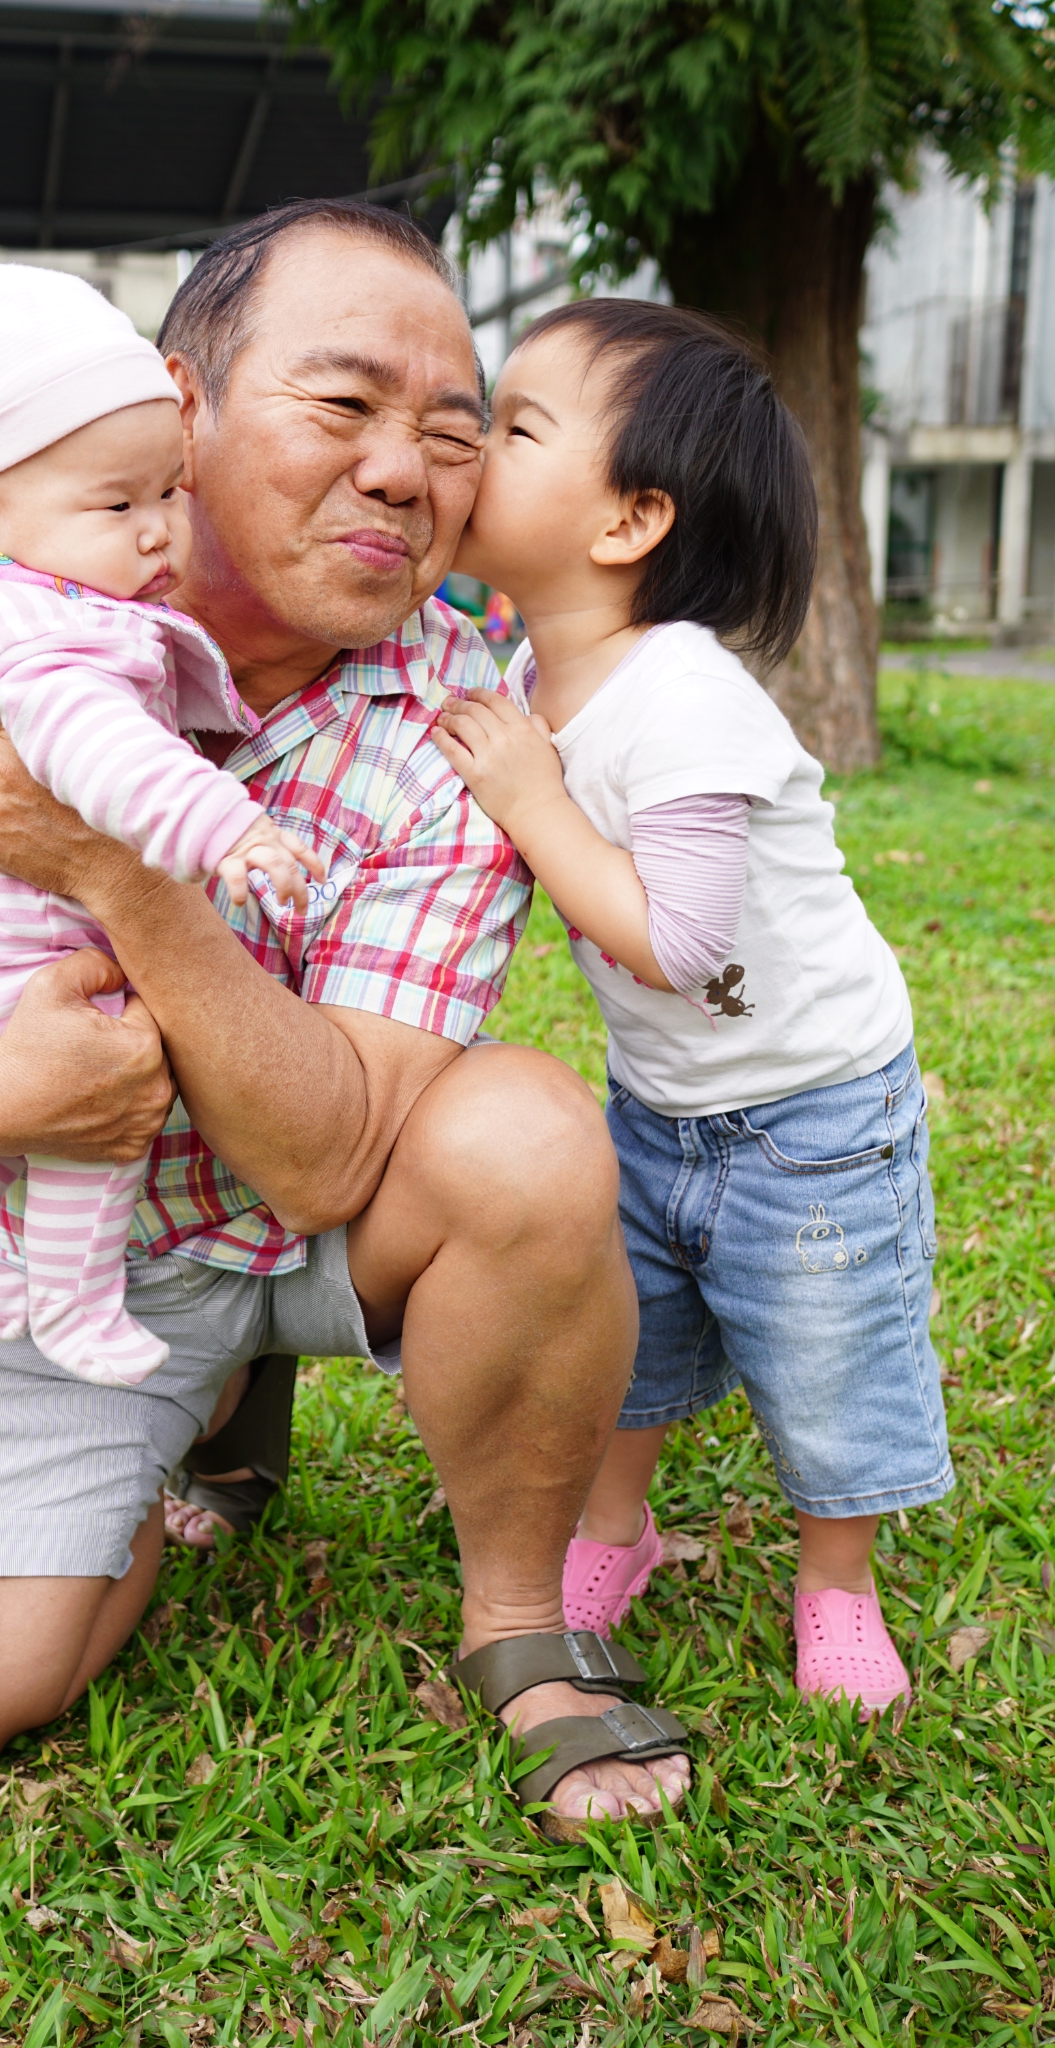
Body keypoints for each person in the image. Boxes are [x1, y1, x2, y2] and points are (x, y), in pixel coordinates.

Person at [0, 202, 692, 1820]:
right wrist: (10, 1102)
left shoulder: (468, 721)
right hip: (69, 1248)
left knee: (529, 1138)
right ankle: (181, 1409)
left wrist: (120, 874)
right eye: (342, 405)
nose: (402, 472)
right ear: (179, 407)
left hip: (320, 1217)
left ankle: (521, 1622)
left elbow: (330, 1162)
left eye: (452, 433)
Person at [434, 298, 950, 1716]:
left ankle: (837, 1582)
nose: (472, 437)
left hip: (813, 1107)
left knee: (829, 1352)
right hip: (662, 1099)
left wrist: (531, 798)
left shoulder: (683, 696)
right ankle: (614, 1528)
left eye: (516, 425)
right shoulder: (522, 672)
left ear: (629, 521)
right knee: (629, 1333)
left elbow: (679, 938)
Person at [0, 263, 319, 1390]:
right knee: (100, 1069)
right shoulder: (41, 636)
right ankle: (73, 1296)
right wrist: (227, 830)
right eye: (118, 506)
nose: (160, 534)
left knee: (20, 1070)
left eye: (170, 491)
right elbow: (100, 753)